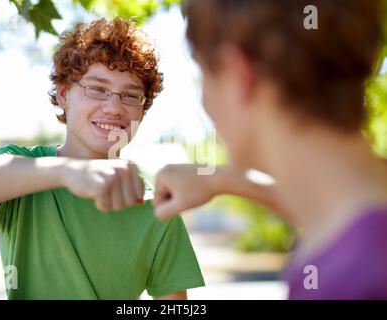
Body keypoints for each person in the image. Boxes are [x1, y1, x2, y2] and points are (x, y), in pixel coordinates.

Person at [0, 17, 204, 300]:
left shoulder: (156, 209)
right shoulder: (23, 171)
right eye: (97, 88)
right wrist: (68, 172)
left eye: (131, 95)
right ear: (63, 95)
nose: (113, 107)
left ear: (142, 111)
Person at [153, 0, 387, 299]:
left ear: (240, 75)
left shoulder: (349, 282)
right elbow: (329, 210)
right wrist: (218, 180)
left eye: (204, 75)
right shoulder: (360, 220)